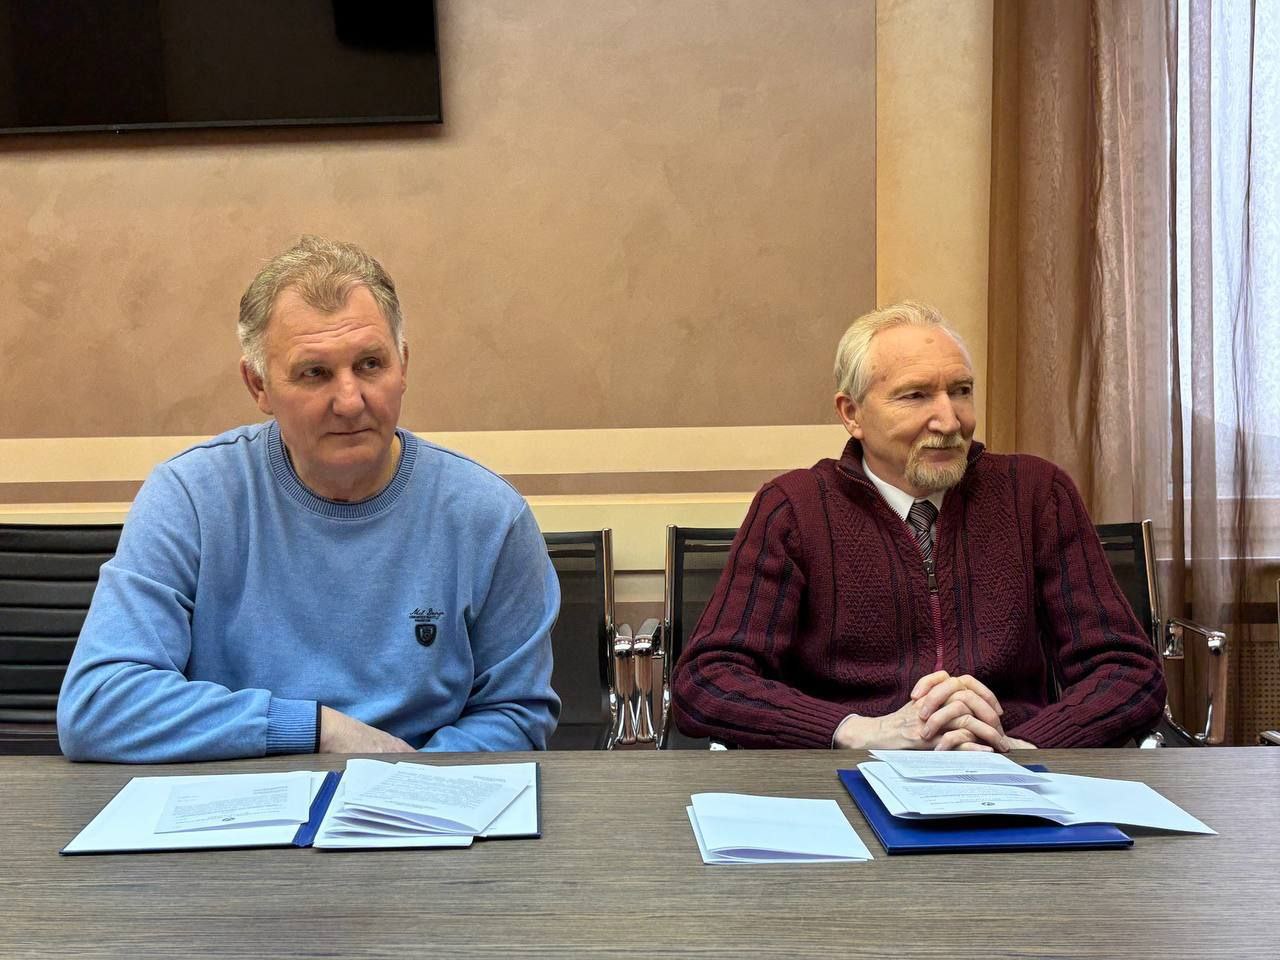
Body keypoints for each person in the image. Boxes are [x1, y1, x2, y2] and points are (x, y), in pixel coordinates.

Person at [58, 236, 560, 762]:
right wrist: (315, 730)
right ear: (258, 385)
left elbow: (515, 714)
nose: (350, 401)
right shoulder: (190, 500)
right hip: (238, 800)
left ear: (404, 365)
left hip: (419, 800)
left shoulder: (489, 517)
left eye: (370, 364)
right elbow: (99, 704)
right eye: (315, 373)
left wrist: (404, 782)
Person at [671, 300, 1166, 750]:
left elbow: (1129, 671)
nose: (949, 422)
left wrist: (1023, 746)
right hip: (846, 778)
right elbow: (708, 680)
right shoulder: (793, 508)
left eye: (961, 391)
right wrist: (857, 731)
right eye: (916, 396)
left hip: (1013, 776)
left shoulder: (1037, 494)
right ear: (852, 414)